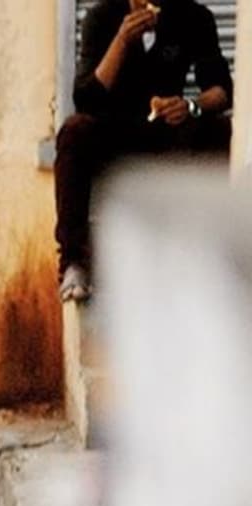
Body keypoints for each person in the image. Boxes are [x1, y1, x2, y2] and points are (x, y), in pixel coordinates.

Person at [55, 0, 232, 301]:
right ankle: (74, 263)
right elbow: (86, 99)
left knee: (219, 130)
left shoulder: (193, 16)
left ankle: (212, 255)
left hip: (165, 132)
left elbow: (222, 90)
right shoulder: (102, 17)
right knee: (74, 131)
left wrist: (191, 106)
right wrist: (122, 40)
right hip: (114, 135)